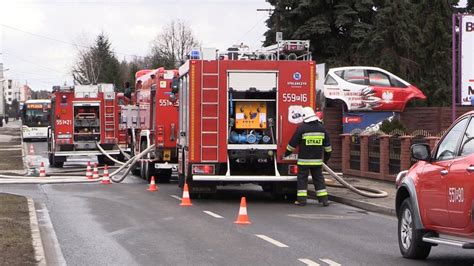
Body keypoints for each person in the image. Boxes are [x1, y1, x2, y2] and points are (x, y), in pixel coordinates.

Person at [284, 106, 332, 206]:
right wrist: (326, 160)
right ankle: (324, 200)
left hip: (304, 161)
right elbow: (328, 148)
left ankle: (302, 201)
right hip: (317, 161)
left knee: (302, 180)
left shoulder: (302, 128)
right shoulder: (322, 128)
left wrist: (286, 153)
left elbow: (293, 143)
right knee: (319, 179)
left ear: (305, 116)